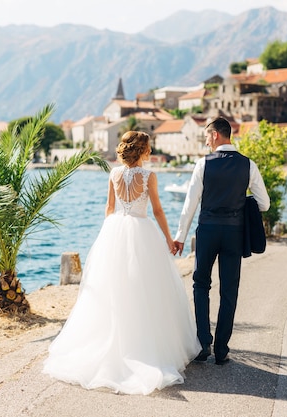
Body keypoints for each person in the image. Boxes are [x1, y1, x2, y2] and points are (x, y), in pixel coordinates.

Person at [43, 131, 201, 395]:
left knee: (113, 290)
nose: (150, 150)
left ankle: (114, 342)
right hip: (141, 230)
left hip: (114, 230)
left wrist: (107, 237)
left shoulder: (114, 174)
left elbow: (109, 207)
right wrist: (169, 239)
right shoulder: (149, 176)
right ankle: (145, 345)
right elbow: (158, 210)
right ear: (142, 150)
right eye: (149, 147)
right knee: (146, 288)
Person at [173, 117, 270, 365]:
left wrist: (180, 237)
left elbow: (190, 204)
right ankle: (222, 350)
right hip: (234, 233)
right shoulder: (248, 165)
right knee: (229, 290)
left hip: (207, 232)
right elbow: (265, 204)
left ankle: (204, 342)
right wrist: (242, 204)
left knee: (200, 284)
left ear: (216, 135)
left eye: (207, 136)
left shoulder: (203, 164)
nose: (206, 141)